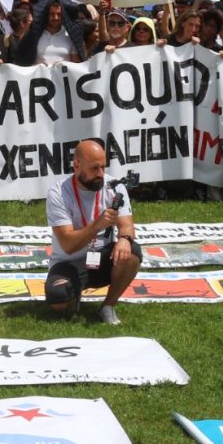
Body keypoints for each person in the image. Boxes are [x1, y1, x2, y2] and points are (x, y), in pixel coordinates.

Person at [44, 138, 140, 325]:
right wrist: (96, 225)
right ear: (77, 165)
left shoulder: (115, 186)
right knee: (58, 303)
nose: (101, 174)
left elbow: (127, 225)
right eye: (94, 168)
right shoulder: (58, 193)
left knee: (133, 252)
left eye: (103, 167)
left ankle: (108, 306)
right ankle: (72, 293)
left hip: (101, 258)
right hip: (68, 261)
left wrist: (125, 238)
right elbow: (68, 245)